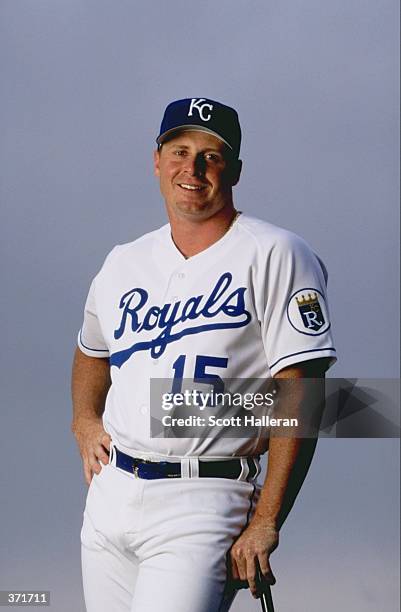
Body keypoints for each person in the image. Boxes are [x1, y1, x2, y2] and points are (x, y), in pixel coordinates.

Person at [71, 97, 337, 612]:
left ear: (234, 170)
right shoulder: (123, 261)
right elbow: (91, 351)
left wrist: (265, 522)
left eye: (211, 156)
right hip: (110, 498)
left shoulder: (278, 252)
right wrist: (83, 420)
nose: (192, 169)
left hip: (204, 499)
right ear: (157, 159)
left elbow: (303, 392)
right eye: (180, 151)